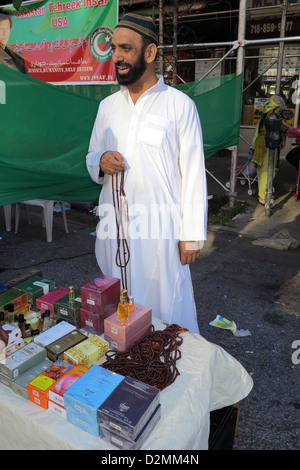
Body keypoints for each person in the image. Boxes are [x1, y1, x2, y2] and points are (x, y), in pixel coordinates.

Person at [86, 12, 207, 334]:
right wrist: (100, 160)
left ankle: (168, 361)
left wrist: (191, 235)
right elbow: (91, 156)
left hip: (161, 228)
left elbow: (193, 172)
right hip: (117, 224)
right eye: (114, 49)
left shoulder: (179, 106)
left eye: (125, 48)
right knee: (117, 297)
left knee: (166, 301)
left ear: (150, 53)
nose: (118, 57)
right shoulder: (107, 107)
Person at [251, 94, 287, 206]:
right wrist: (283, 138)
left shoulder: (265, 111)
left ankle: (262, 194)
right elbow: (282, 126)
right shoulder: (277, 111)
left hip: (260, 142)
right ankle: (263, 196)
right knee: (269, 170)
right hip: (270, 142)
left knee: (261, 170)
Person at [0, 10, 27, 74]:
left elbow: (26, 81)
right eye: (1, 29)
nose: (5, 33)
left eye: (7, 28)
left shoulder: (17, 56)